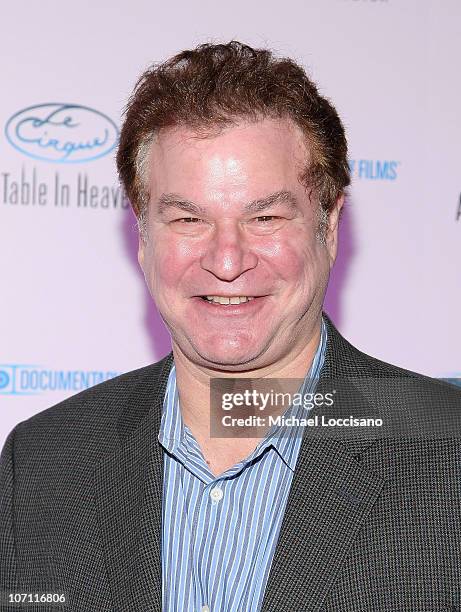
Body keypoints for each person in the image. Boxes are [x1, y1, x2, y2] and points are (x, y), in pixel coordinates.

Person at [1, 41, 460, 612]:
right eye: (188, 219)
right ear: (142, 235)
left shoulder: (447, 453)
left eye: (265, 217)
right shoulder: (44, 464)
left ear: (329, 226)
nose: (225, 259)